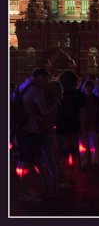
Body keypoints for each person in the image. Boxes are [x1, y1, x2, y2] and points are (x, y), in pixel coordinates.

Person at [15, 68, 57, 202]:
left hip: (20, 129)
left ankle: (33, 189)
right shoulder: (36, 90)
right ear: (39, 77)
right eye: (45, 78)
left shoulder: (22, 86)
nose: (46, 82)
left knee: (23, 161)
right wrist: (55, 104)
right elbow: (44, 112)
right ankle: (24, 192)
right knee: (27, 163)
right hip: (31, 130)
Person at [57, 70, 86, 188]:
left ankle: (63, 178)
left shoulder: (59, 94)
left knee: (63, 154)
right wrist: (82, 129)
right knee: (73, 153)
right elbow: (82, 114)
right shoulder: (78, 94)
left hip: (61, 128)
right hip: (74, 127)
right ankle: (71, 177)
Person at [79, 80, 99, 168]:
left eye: (90, 87)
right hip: (83, 125)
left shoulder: (96, 99)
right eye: (87, 87)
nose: (89, 89)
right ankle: (84, 161)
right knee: (83, 145)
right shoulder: (81, 99)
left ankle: (94, 161)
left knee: (93, 144)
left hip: (93, 125)